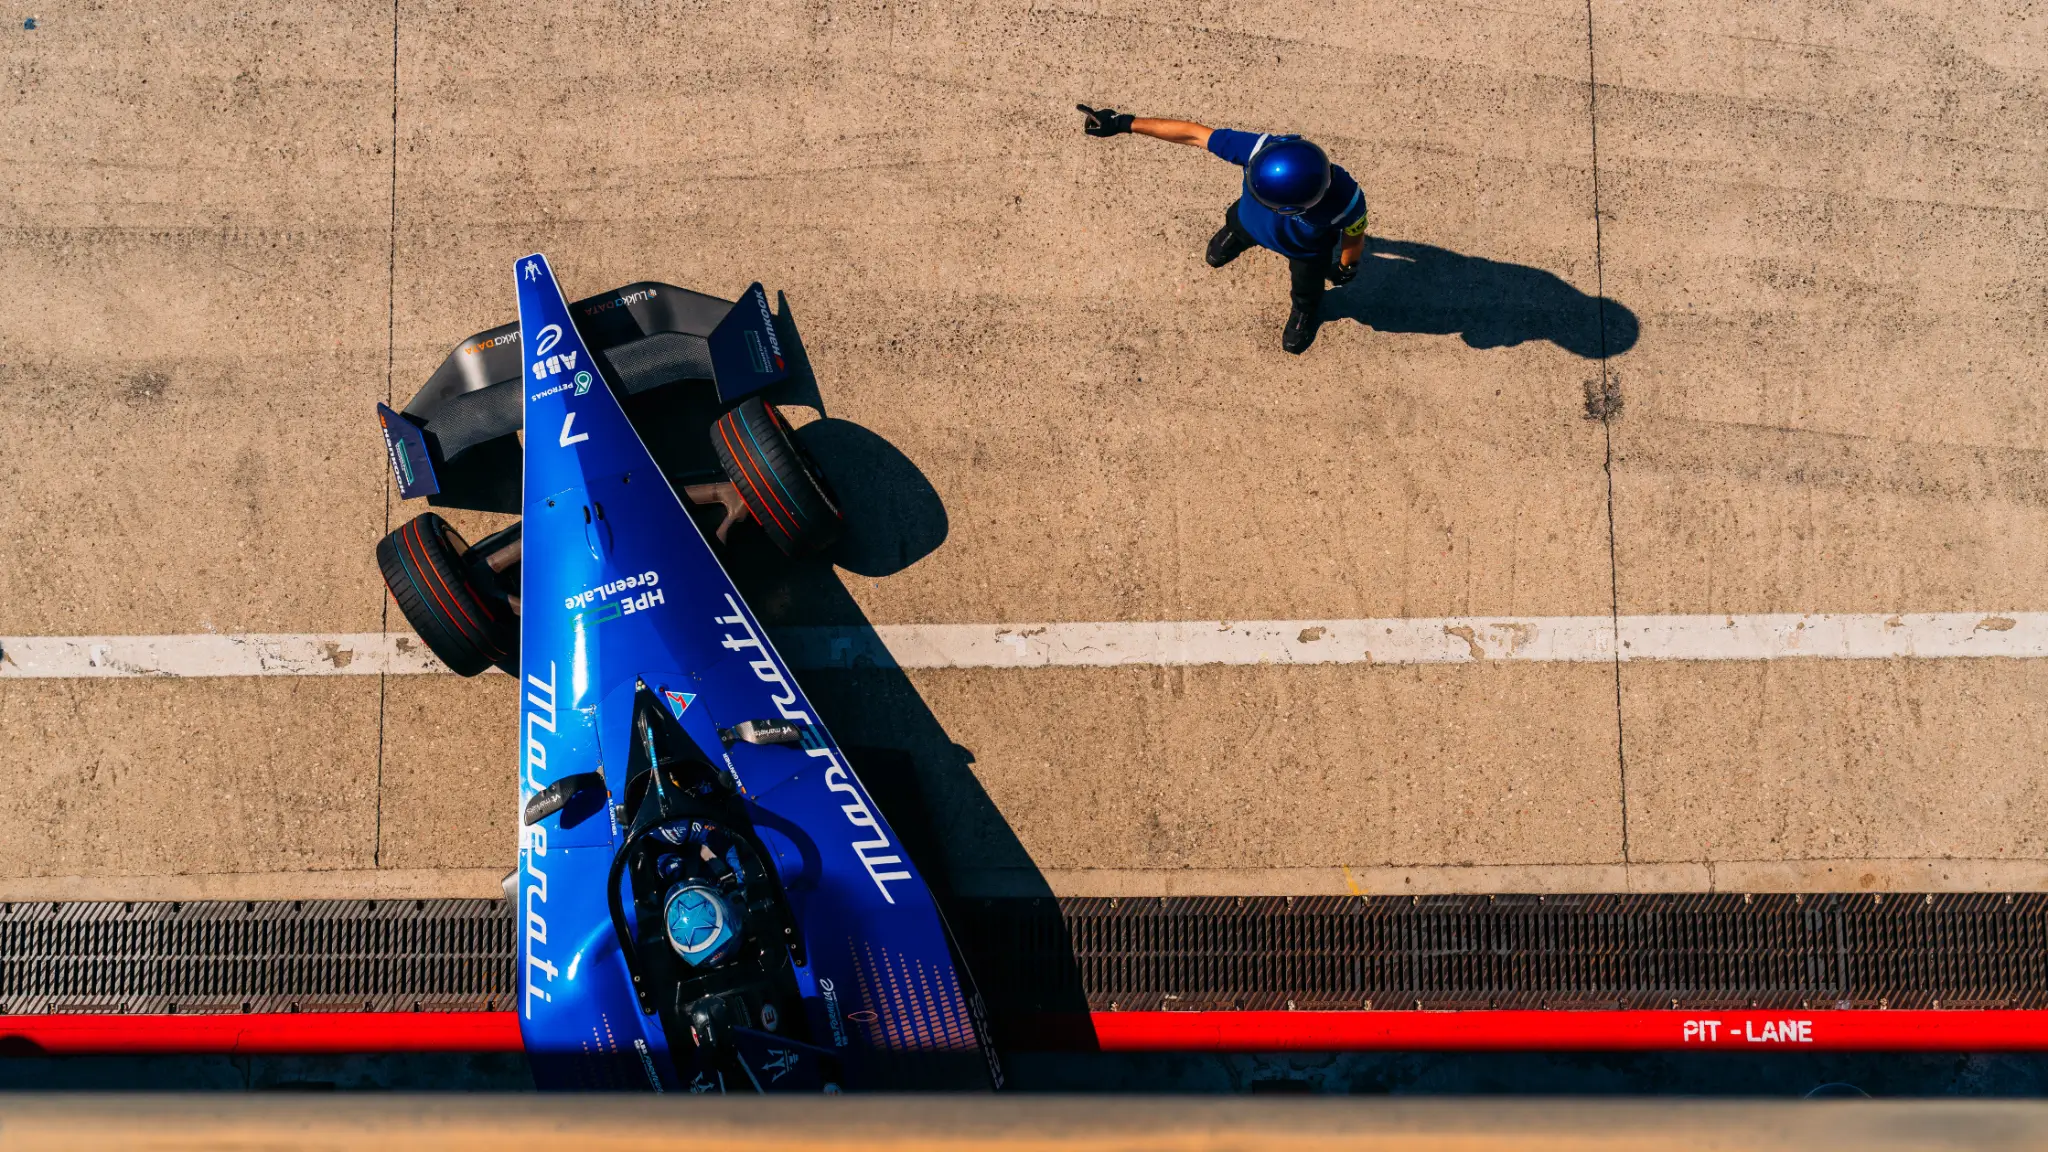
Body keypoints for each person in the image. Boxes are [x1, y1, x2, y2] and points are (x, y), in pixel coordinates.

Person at [1078, 105, 1366, 354]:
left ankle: (1305, 311)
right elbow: (1194, 134)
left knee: (1307, 288)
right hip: (1247, 222)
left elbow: (1354, 234)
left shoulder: (1347, 201)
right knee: (1237, 224)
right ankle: (1236, 237)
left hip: (1304, 252)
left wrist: (1345, 266)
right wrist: (1122, 122)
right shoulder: (1260, 150)